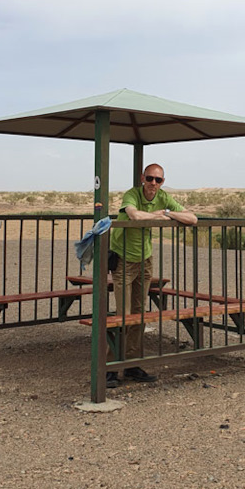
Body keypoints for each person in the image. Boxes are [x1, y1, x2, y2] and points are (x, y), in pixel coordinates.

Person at [106, 163, 197, 388]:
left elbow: (192, 219)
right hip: (124, 259)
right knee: (123, 315)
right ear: (142, 178)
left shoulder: (163, 197)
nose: (153, 183)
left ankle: (132, 364)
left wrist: (166, 213)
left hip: (144, 260)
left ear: (162, 182)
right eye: (150, 178)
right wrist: (155, 215)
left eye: (158, 180)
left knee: (139, 314)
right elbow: (135, 215)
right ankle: (110, 367)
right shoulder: (132, 194)